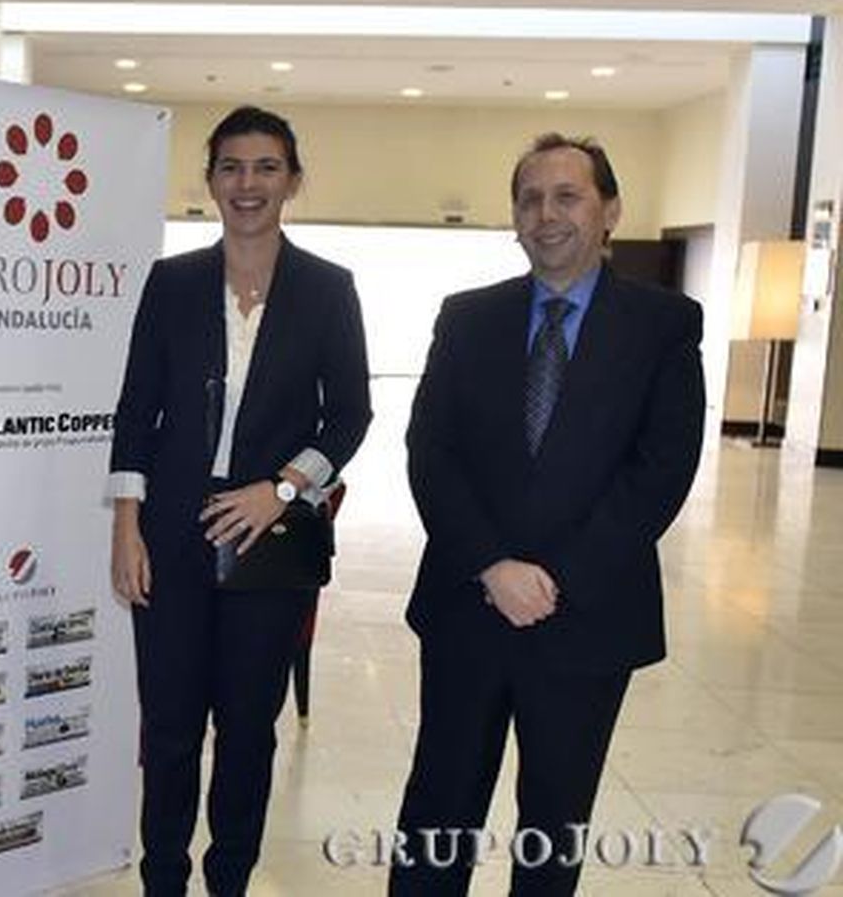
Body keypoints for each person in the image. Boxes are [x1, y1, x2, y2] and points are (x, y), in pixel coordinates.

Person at [390, 133, 705, 896]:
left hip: (588, 618)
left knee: (553, 825)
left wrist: (557, 577)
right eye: (530, 198)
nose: (546, 214)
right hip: (470, 604)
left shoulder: (664, 326)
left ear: (609, 211)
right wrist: (494, 565)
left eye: (567, 196)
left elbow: (661, 471)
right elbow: (431, 452)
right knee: (438, 809)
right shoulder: (466, 318)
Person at [108, 105, 372, 897]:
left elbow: (350, 414)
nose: (247, 184)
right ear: (211, 181)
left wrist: (284, 487)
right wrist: (126, 525)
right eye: (231, 167)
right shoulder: (173, 281)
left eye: (265, 167)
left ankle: (229, 881)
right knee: (170, 730)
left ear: (292, 179)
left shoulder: (329, 289)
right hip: (173, 532)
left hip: (272, 540)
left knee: (248, 732)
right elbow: (135, 408)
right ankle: (163, 881)